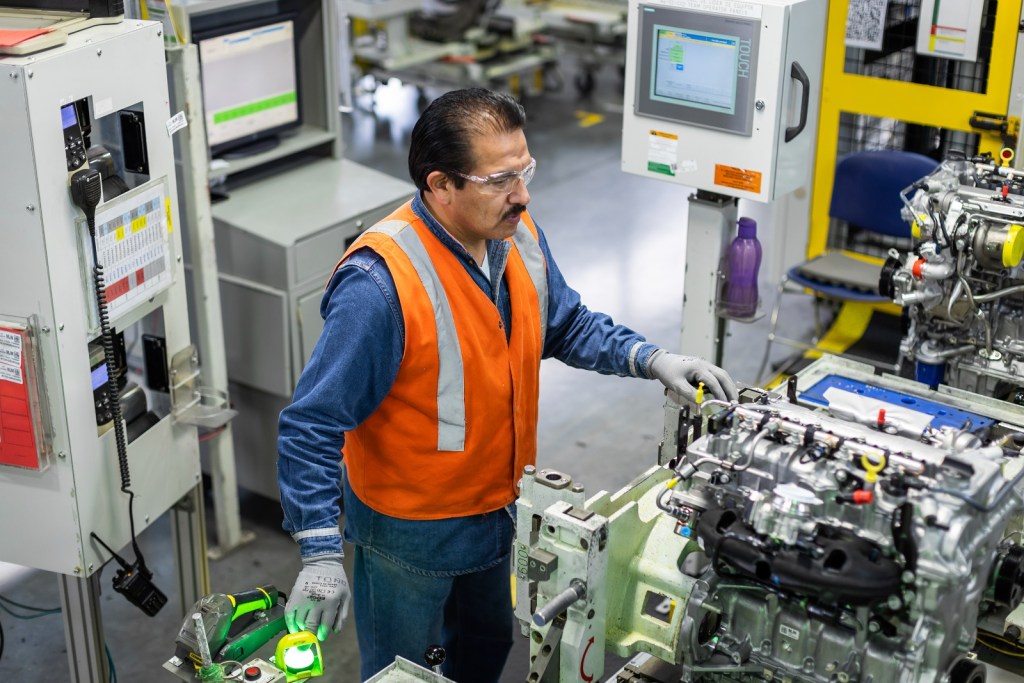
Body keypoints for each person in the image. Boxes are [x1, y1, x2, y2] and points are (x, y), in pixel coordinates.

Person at [277, 88, 737, 682]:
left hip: (499, 510)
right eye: (500, 179)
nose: (522, 194)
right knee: (404, 673)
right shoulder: (380, 285)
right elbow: (312, 424)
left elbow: (563, 322)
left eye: (525, 171)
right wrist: (319, 550)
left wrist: (650, 360)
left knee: (485, 650)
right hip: (409, 540)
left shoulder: (515, 234)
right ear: (440, 184)